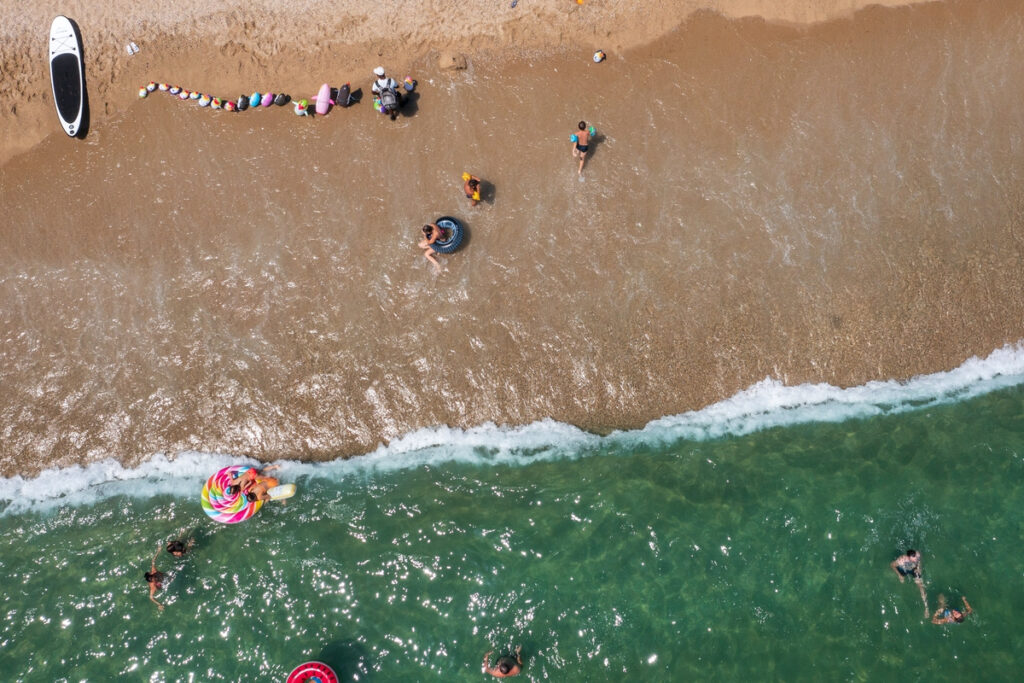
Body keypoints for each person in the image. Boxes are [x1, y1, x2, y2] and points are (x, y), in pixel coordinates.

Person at [890, 549, 928, 616]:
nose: (916, 559)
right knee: (900, 579)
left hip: (914, 570)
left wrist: (919, 568)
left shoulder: (917, 555)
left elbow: (919, 561)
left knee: (921, 586)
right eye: (914, 558)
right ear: (908, 557)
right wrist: (899, 575)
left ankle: (926, 608)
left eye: (916, 557)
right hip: (903, 569)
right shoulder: (901, 560)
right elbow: (892, 565)